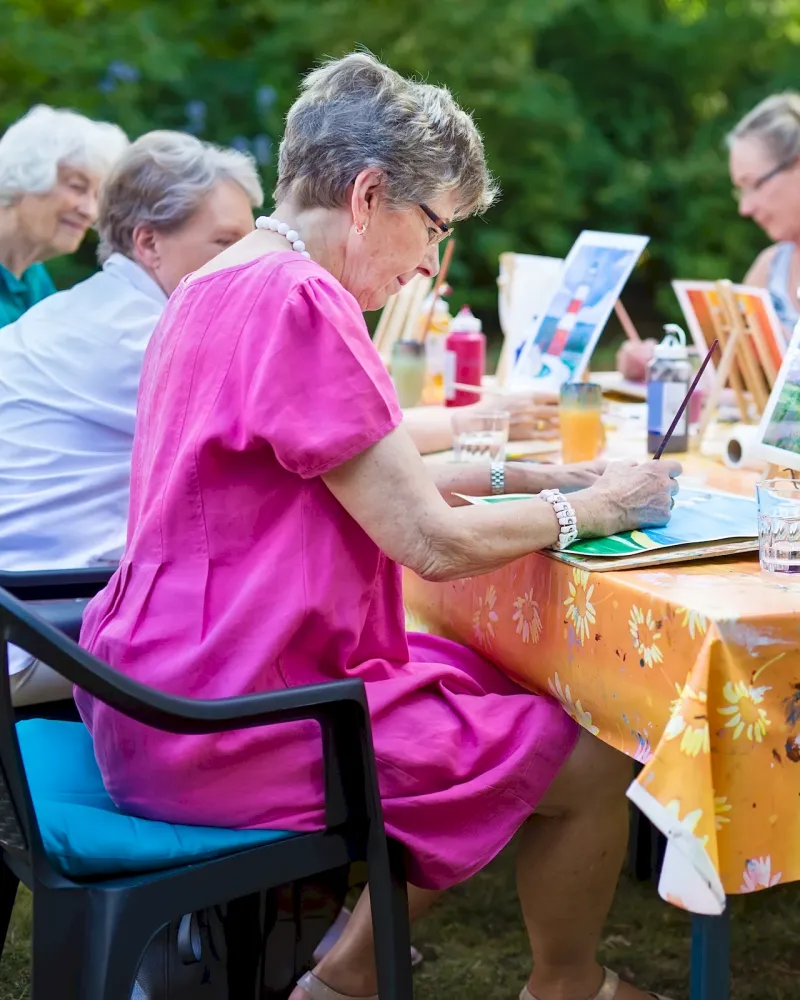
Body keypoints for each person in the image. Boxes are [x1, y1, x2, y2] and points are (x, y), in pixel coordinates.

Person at [76, 54, 678, 1000]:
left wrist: (532, 473)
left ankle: (342, 980)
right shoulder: (304, 301)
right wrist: (595, 507)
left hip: (155, 684)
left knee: (485, 685)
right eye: (434, 228)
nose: (430, 265)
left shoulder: (217, 281)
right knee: (594, 750)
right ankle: (566, 985)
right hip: (239, 715)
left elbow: (356, 477)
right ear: (367, 196)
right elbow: (429, 542)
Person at [0, 130, 263, 705]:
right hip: (36, 624)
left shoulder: (85, 309)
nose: (251, 264)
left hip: (26, 597)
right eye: (226, 242)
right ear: (148, 243)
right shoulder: (151, 339)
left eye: (253, 242)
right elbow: (324, 445)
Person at [0, 105, 128, 326]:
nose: (90, 211)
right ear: (25, 174)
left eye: (97, 196)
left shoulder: (34, 277)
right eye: (77, 186)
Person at [729, 91, 800, 336]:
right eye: (740, 191)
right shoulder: (770, 268)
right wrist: (660, 360)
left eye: (754, 185)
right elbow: (725, 359)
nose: (745, 208)